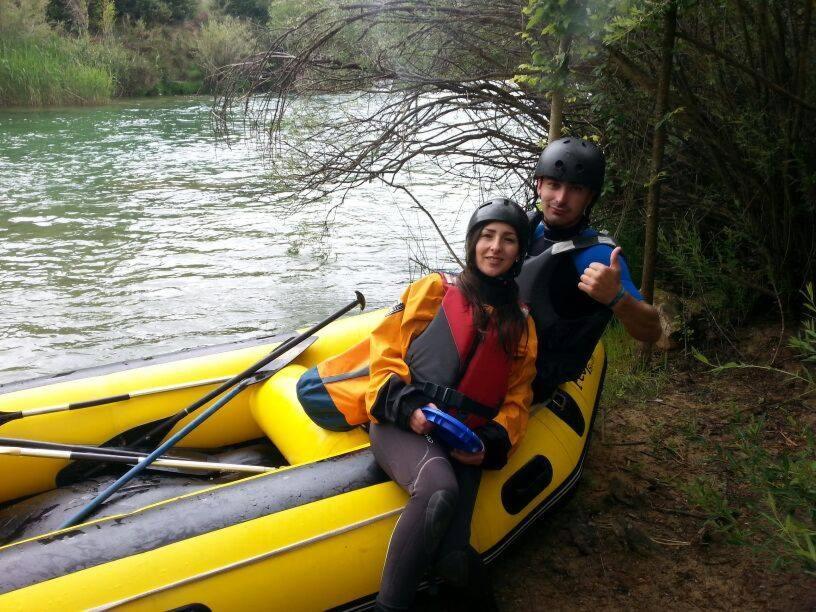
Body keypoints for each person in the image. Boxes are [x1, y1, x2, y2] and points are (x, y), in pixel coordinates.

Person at [365, 198, 538, 611]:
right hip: (404, 423)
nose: (495, 247)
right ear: (473, 242)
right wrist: (408, 407)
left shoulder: (522, 323)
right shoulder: (434, 291)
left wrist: (490, 443)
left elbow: (518, 398)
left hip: (465, 439)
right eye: (487, 236)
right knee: (439, 489)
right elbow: (384, 352)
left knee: (454, 558)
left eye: (508, 239)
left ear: (519, 252)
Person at [519, 136, 662, 400]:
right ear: (539, 185)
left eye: (575, 189)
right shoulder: (522, 230)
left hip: (536, 379)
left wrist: (618, 298)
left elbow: (652, 331)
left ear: (590, 197)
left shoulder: (596, 254)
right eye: (554, 184)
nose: (561, 198)